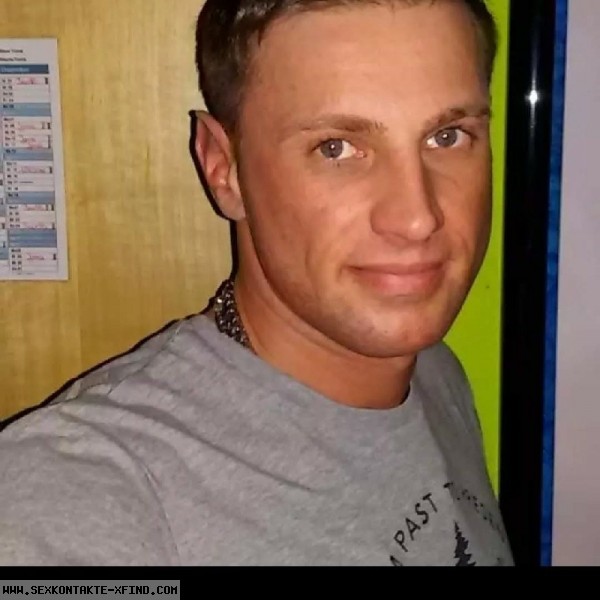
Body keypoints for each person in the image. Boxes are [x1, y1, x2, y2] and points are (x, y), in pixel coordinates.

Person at [0, 0, 513, 566]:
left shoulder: (436, 375)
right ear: (224, 169)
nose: (417, 218)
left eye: (447, 136)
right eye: (336, 148)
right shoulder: (80, 496)